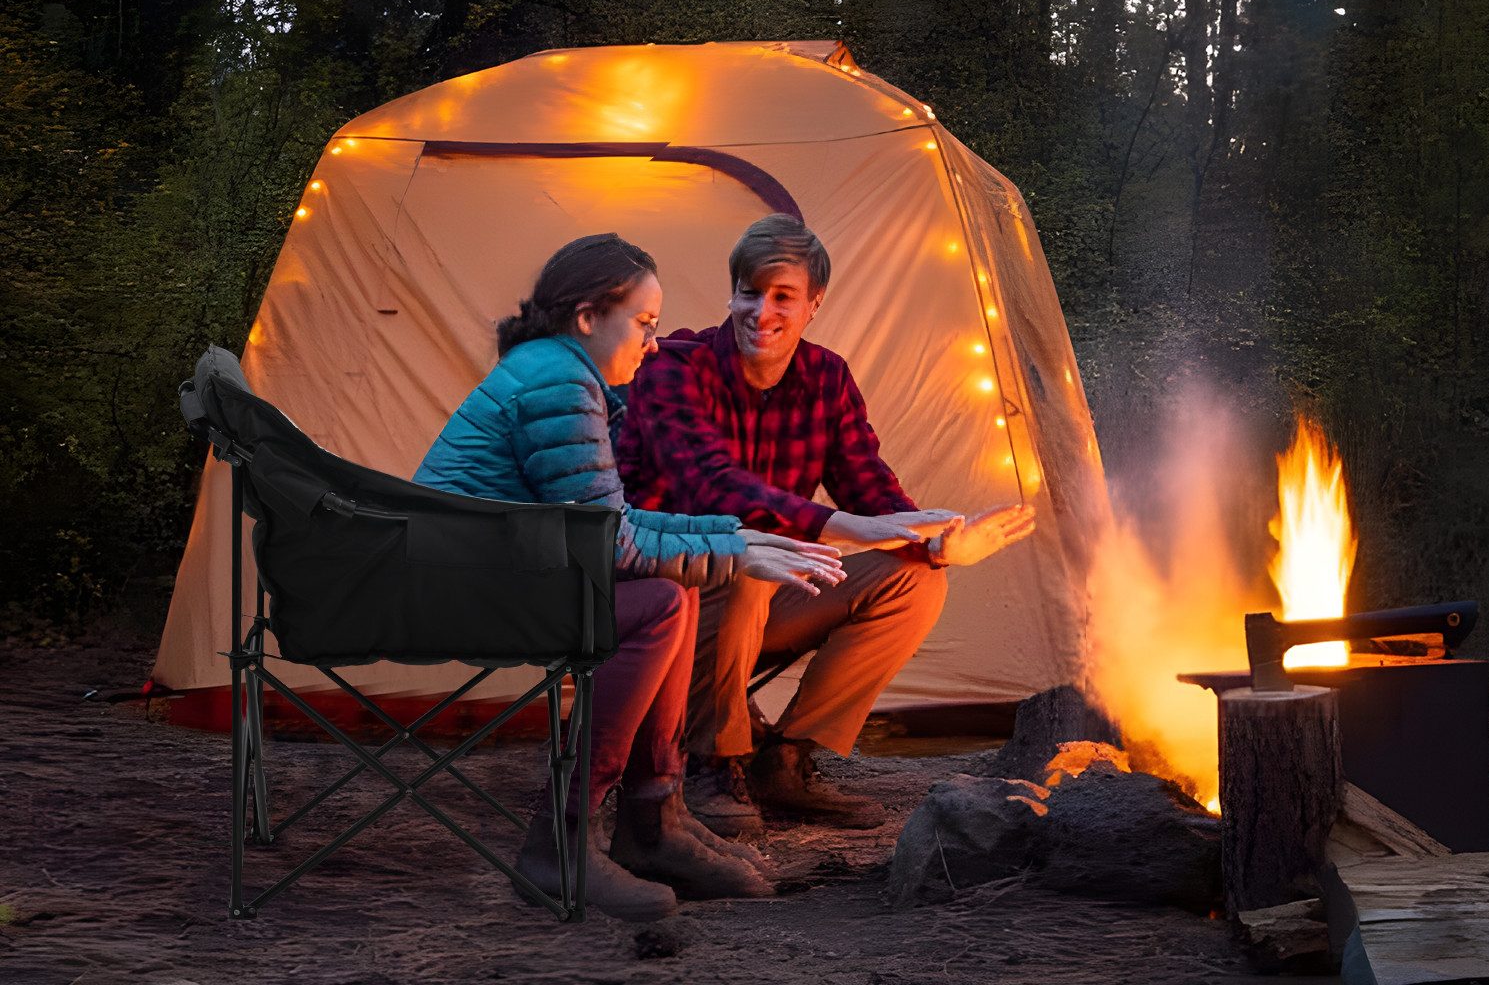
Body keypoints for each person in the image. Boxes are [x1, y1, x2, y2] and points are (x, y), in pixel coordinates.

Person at [413, 232, 845, 920]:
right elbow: (608, 542)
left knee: (666, 595)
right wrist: (736, 554)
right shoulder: (557, 381)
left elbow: (608, 521)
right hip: (465, 589)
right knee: (658, 605)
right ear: (588, 317)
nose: (652, 344)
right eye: (643, 325)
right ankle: (566, 840)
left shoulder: (558, 371)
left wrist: (736, 535)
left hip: (491, 572)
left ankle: (654, 821)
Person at [615, 214, 1036, 835]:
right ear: (730, 293)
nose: (762, 312)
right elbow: (712, 487)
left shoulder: (826, 378)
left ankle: (786, 760)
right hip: (661, 591)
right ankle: (715, 763)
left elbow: (871, 489)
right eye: (749, 292)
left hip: (762, 593)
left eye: (783, 296)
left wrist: (937, 542)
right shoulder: (674, 368)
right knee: (748, 554)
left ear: (814, 304)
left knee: (913, 578)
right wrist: (847, 527)